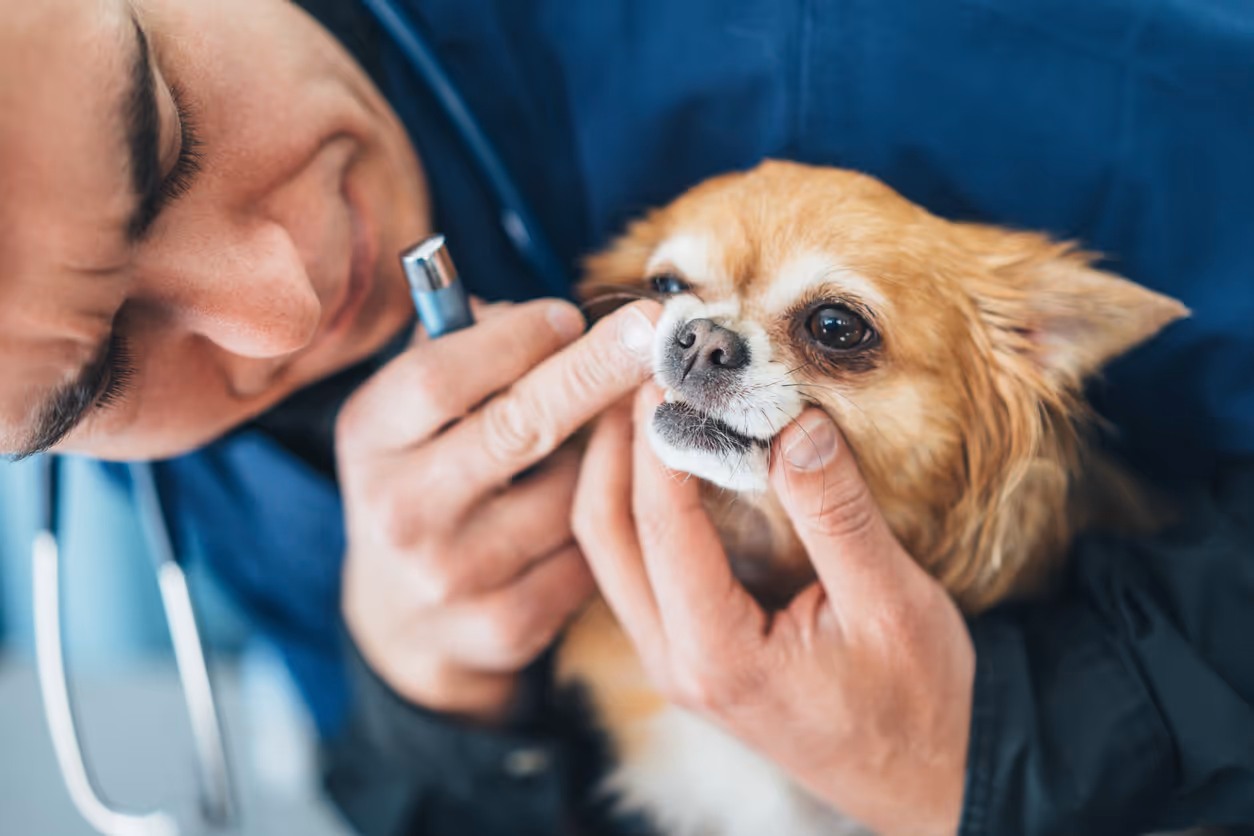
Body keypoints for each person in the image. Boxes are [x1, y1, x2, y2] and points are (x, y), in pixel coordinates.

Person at [2, 0, 1253, 834]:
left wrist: (996, 748)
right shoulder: (176, 467)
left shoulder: (898, 33)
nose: (283, 307)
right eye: (99, 370)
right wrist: (428, 711)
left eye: (161, 140)